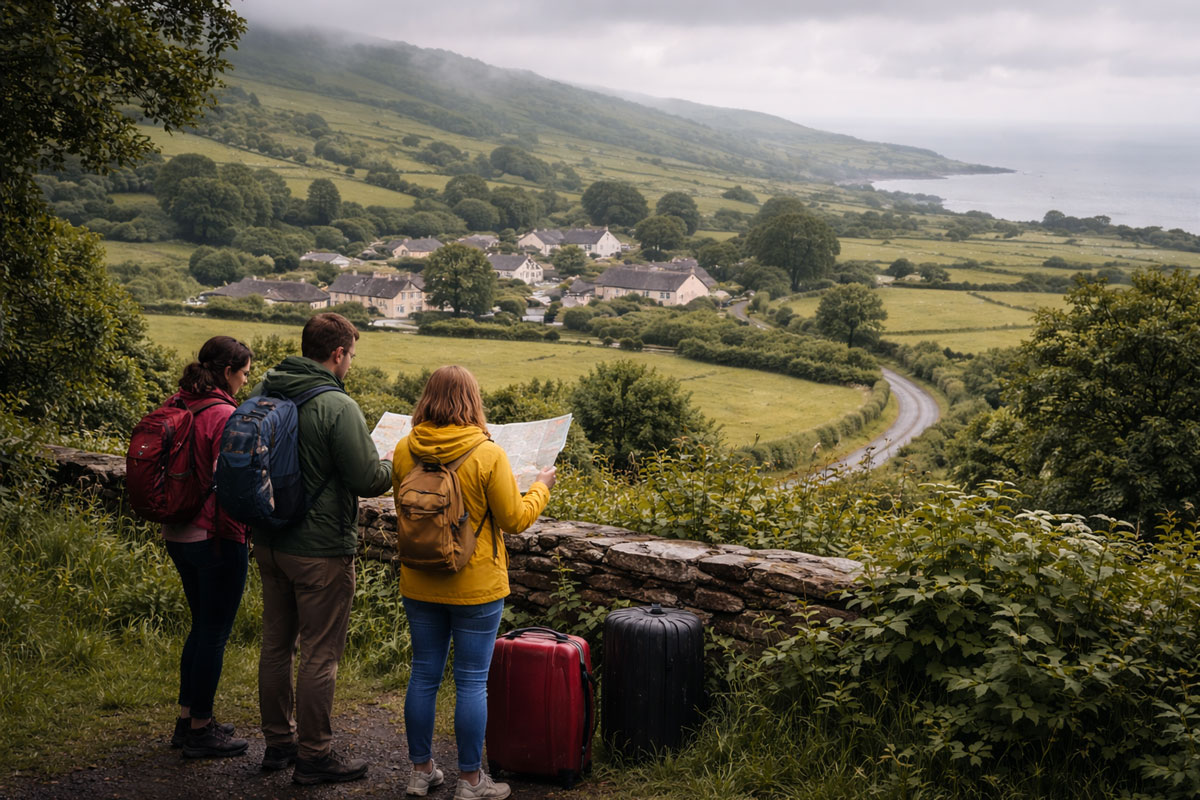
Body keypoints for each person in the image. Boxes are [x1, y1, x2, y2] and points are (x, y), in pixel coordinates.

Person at [392, 365, 556, 800]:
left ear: (427, 399)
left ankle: (420, 772)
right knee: (470, 681)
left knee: (423, 675)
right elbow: (515, 520)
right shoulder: (488, 454)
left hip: (418, 578)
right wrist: (541, 487)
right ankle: (470, 781)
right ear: (472, 401)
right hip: (475, 585)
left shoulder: (405, 449)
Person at [252, 313, 393, 785]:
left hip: (269, 540)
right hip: (319, 550)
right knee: (319, 653)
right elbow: (368, 479)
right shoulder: (337, 405)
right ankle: (314, 755)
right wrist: (393, 460)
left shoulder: (265, 391)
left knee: (275, 646)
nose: (351, 362)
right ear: (337, 354)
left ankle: (277, 744)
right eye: (351, 354)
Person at [163, 335, 253, 758]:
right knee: (213, 633)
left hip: (176, 533)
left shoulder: (178, 402)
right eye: (245, 374)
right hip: (216, 536)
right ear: (228, 373)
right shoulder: (222, 414)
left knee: (200, 627)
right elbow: (233, 480)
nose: (245, 383)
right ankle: (201, 730)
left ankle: (188, 719)